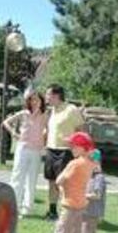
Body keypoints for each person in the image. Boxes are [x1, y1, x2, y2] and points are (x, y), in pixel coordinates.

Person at [39, 132, 96, 233]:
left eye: (74, 145)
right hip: (82, 204)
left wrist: (63, 191)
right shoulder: (90, 164)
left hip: (69, 205)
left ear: (82, 148)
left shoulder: (74, 163)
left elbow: (59, 180)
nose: (71, 148)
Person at [3, 89, 48, 218]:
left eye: (37, 100)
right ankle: (14, 206)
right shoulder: (24, 113)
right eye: (32, 99)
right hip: (22, 148)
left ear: (41, 101)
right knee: (17, 177)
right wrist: (14, 133)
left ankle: (27, 208)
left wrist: (45, 138)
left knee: (32, 179)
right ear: (28, 101)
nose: (34, 102)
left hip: (36, 150)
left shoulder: (44, 115)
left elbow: (48, 129)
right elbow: (6, 122)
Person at [43, 84, 85, 221]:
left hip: (65, 151)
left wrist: (76, 145)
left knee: (64, 183)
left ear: (56, 96)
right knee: (51, 182)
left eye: (48, 94)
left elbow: (81, 129)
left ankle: (66, 212)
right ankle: (52, 211)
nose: (46, 97)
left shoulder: (71, 109)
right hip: (51, 149)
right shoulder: (52, 111)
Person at [73, 148, 106, 233]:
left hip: (92, 212)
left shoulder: (99, 178)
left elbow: (97, 195)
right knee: (79, 232)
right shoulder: (87, 176)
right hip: (83, 209)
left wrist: (83, 195)